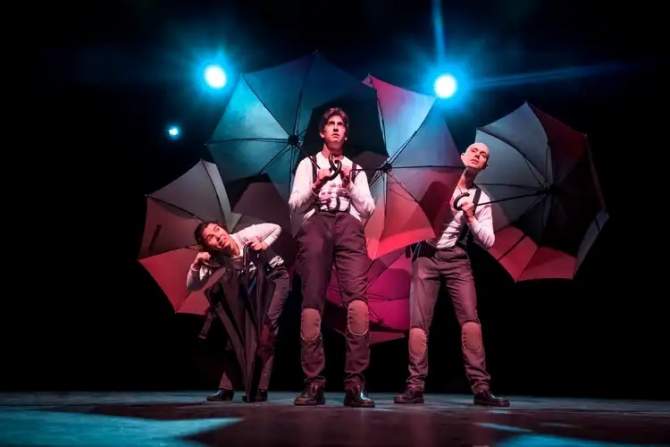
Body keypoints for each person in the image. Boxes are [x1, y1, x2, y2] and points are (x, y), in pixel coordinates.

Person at [394, 142, 510, 407]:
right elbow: (411, 212)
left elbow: (489, 241)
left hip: (457, 257)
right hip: (426, 255)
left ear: (485, 166)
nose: (478, 155)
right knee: (418, 323)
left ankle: (481, 388)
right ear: (462, 156)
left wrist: (470, 216)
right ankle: (414, 387)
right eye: (474, 151)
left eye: (483, 155)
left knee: (470, 321)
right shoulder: (436, 182)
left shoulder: (481, 198)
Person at [288, 107, 376, 407]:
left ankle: (355, 384)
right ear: (322, 132)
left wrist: (350, 185)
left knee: (358, 303)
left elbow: (368, 208)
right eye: (331, 124)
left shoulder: (356, 169)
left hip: (348, 227)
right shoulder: (308, 164)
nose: (336, 128)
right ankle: (314, 383)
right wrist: (316, 186)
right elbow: (294, 204)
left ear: (346, 134)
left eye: (341, 125)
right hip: (317, 225)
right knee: (312, 301)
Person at [187, 221, 289, 402]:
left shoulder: (246, 236)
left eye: (217, 230)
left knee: (266, 332)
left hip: (274, 280)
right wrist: (196, 264)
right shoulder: (216, 259)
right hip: (251, 290)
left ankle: (260, 388)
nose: (218, 236)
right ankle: (226, 388)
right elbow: (193, 286)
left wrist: (264, 244)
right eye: (210, 237)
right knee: (235, 333)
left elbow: (276, 227)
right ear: (208, 246)